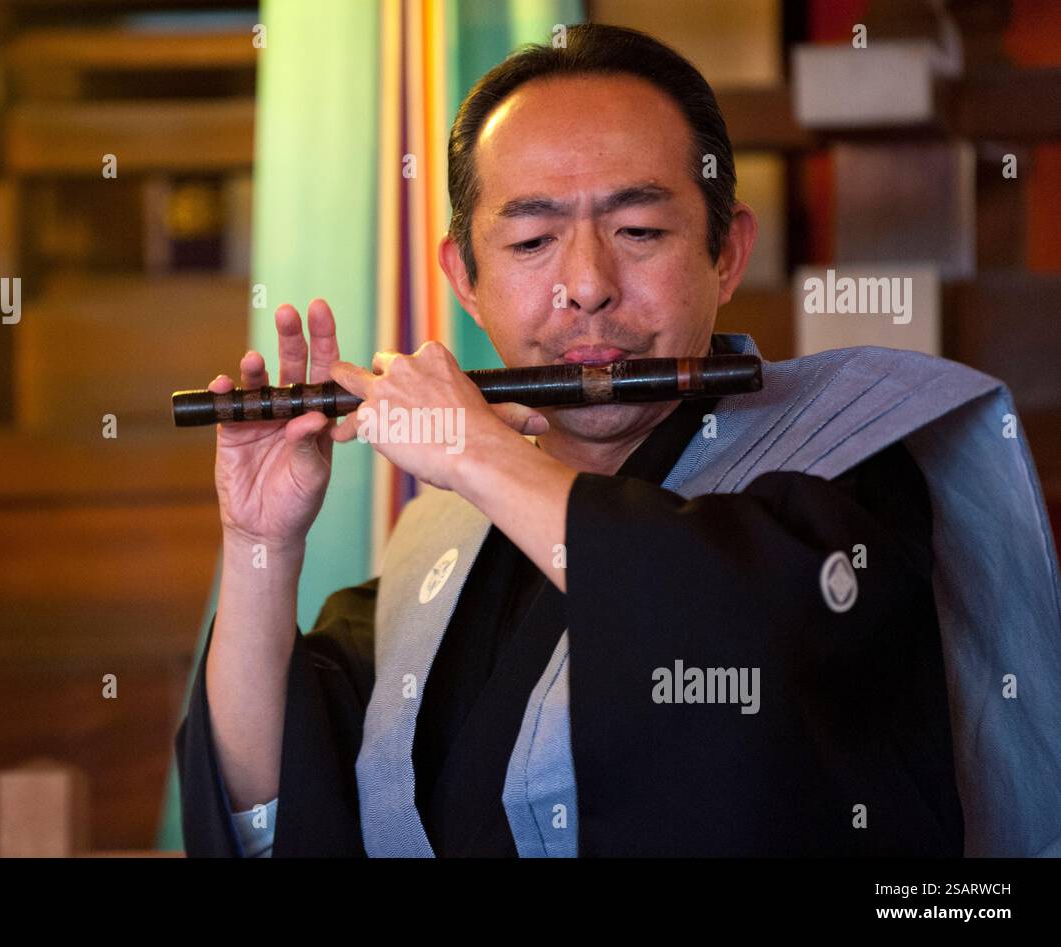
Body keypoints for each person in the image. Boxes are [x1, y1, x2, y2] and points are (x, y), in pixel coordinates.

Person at [175, 23, 1061, 857]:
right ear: (465, 279)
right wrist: (261, 542)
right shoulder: (436, 550)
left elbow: (755, 654)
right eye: (530, 239)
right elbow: (271, 813)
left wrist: (473, 454)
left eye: (639, 231)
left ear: (726, 252)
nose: (587, 287)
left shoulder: (854, 453)